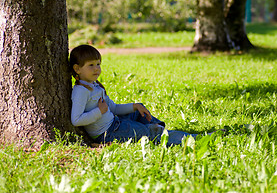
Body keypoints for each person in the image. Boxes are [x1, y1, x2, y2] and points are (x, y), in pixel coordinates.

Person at [69, 44, 197, 146]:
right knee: (151, 133)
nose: (96, 68)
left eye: (98, 64)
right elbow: (76, 120)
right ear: (77, 69)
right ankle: (190, 139)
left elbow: (113, 108)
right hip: (108, 133)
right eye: (91, 65)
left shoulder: (94, 85)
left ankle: (157, 130)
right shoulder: (81, 91)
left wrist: (134, 106)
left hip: (114, 122)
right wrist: (99, 111)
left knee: (138, 110)